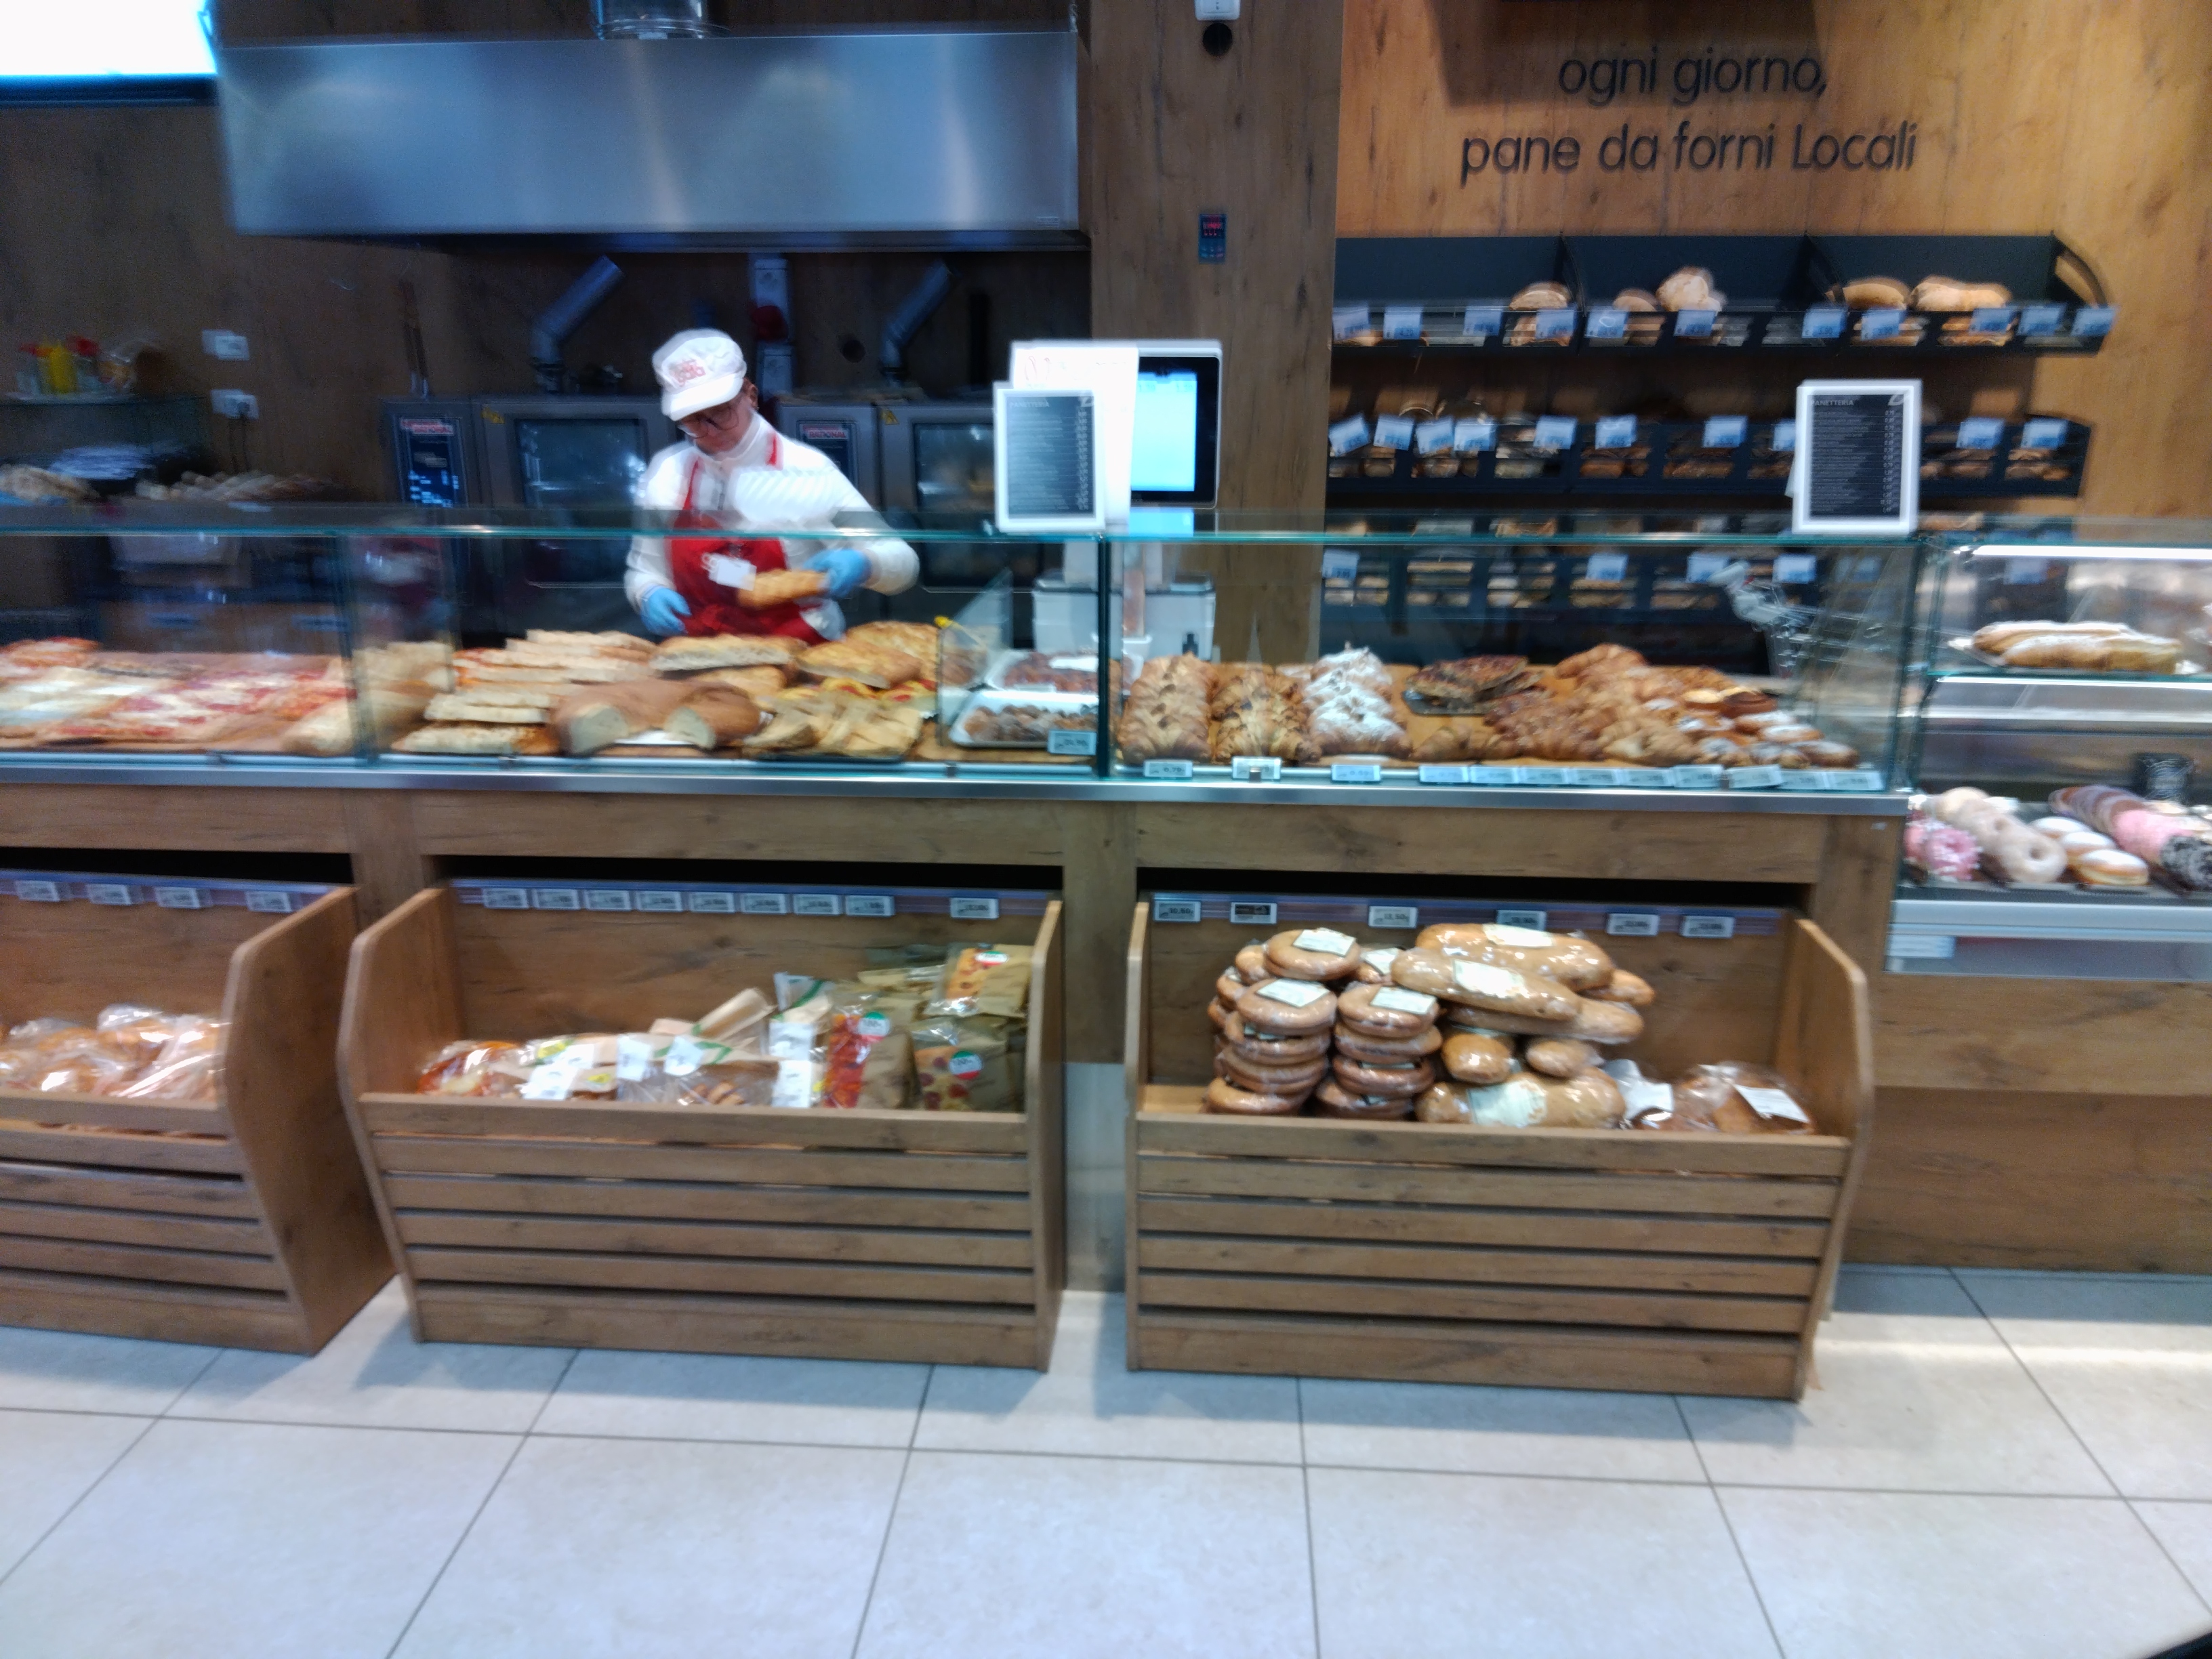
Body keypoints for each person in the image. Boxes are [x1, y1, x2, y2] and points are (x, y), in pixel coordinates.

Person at [626, 329, 916, 640]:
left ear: (751, 396)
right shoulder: (667, 474)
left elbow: (902, 561)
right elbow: (646, 569)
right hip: (701, 654)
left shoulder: (807, 470)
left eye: (721, 412)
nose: (711, 430)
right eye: (694, 419)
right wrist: (648, 593)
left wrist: (866, 563)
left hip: (799, 653)